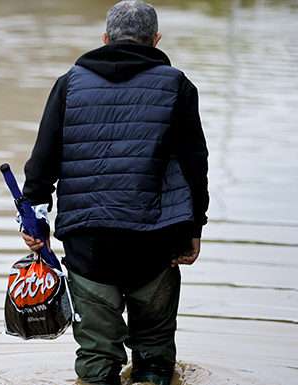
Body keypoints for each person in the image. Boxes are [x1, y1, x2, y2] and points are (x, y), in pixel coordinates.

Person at [19, 1, 210, 384]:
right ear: (155, 40)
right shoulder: (177, 85)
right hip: (156, 241)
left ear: (105, 39)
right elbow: (195, 164)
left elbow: (43, 160)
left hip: (88, 242)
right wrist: (194, 229)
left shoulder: (69, 84)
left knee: (96, 358)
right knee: (154, 355)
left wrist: (35, 216)